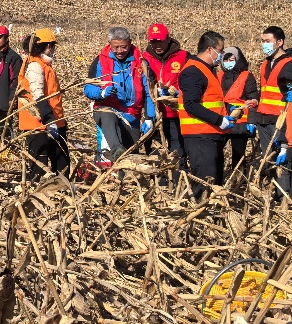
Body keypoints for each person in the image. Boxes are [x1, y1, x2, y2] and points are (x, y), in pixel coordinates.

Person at [253, 26, 292, 180]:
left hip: (281, 120)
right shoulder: (265, 64)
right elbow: (263, 93)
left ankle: (284, 195)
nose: (264, 44)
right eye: (262, 41)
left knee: (284, 161)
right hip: (264, 120)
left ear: (280, 42)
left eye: (268, 41)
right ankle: (271, 192)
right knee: (268, 161)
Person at [177, 32, 234, 200]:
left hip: (210, 134)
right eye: (220, 50)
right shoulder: (193, 71)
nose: (222, 55)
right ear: (210, 49)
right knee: (204, 183)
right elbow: (191, 104)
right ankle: (201, 217)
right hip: (200, 136)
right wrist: (219, 120)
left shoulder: (208, 70)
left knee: (215, 183)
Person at [85, 27, 155, 160]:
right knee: (108, 115)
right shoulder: (100, 61)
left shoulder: (141, 62)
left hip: (131, 114)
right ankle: (116, 150)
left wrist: (149, 117)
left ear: (130, 43)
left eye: (124, 47)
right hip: (107, 109)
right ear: (109, 44)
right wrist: (101, 93)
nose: (120, 51)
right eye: (116, 47)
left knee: (131, 153)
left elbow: (148, 92)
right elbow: (88, 88)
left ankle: (127, 177)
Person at [17, 28, 69, 181]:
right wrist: (49, 120)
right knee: (39, 167)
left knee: (62, 163)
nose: (53, 49)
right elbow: (37, 95)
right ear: (46, 46)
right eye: (52, 45)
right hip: (38, 124)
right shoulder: (34, 66)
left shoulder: (44, 65)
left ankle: (61, 192)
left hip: (54, 122)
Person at [141, 23, 188, 158]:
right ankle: (158, 179)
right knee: (156, 154)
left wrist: (177, 92)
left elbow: (192, 82)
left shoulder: (183, 56)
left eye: (160, 41)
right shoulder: (144, 58)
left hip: (175, 115)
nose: (157, 46)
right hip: (155, 115)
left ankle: (179, 177)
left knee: (177, 153)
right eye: (153, 42)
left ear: (168, 38)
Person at [220, 46, 259, 173]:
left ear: (238, 59)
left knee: (239, 156)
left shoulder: (246, 76)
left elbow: (253, 99)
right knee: (216, 152)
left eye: (231, 59)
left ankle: (239, 181)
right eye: (225, 60)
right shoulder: (218, 75)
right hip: (222, 120)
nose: (228, 63)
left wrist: (252, 121)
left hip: (241, 122)